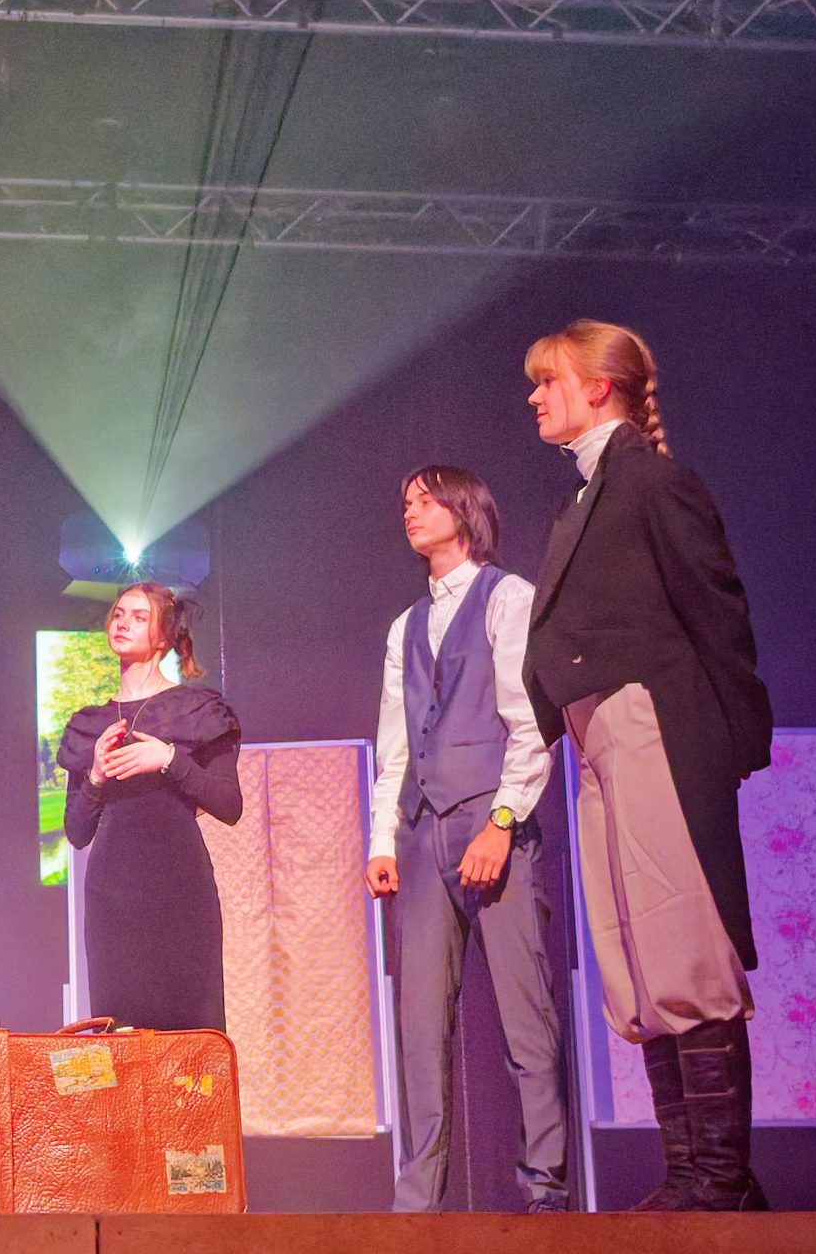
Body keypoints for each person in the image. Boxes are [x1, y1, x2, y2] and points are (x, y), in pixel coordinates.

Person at [519, 320, 773, 1212]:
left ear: (599, 387)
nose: (535, 397)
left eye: (549, 380)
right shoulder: (581, 499)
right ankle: (691, 1174)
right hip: (598, 737)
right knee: (635, 959)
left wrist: (733, 740)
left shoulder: (654, 483)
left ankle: (723, 1181)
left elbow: (718, 612)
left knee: (683, 946)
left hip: (651, 723)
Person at [365, 466, 568, 1213]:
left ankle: (545, 1191)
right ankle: (417, 1202)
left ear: (464, 509)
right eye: (405, 502)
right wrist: (383, 838)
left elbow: (530, 723)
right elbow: (395, 744)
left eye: (425, 500)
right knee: (420, 1027)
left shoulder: (507, 598)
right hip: (424, 834)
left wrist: (502, 822)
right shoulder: (405, 626)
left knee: (526, 1018)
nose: (411, 512)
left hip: (492, 820)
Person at [58, 581, 243, 1032]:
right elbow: (77, 832)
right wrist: (96, 774)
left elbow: (229, 804)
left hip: (180, 889)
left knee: (188, 1028)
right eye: (119, 614)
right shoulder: (89, 724)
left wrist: (169, 759)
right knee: (120, 1027)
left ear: (164, 635)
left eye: (139, 617)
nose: (123, 623)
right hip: (113, 896)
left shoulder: (197, 710)